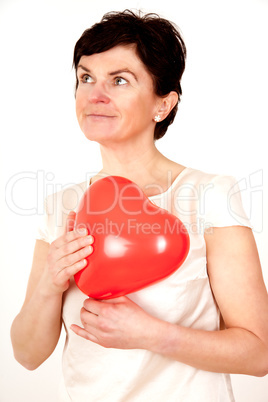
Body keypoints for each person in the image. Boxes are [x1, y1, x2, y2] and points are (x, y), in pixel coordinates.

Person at [11, 9, 268, 402]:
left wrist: (154, 335)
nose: (95, 95)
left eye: (119, 80)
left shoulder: (210, 195)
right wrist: (50, 283)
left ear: (162, 104)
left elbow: (259, 353)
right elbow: (26, 356)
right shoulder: (61, 207)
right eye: (85, 78)